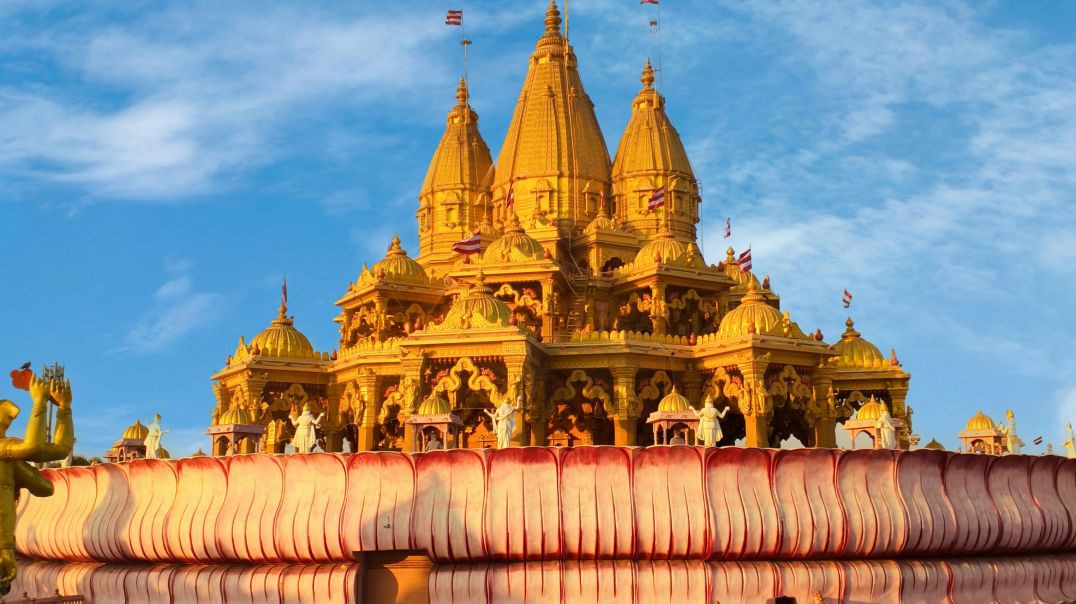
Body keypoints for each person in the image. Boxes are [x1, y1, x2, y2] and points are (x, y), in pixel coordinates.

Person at [0, 373, 74, 594]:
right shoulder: (6, 451)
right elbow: (33, 447)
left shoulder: (8, 455)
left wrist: (64, 408)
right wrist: (40, 402)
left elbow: (60, 451)